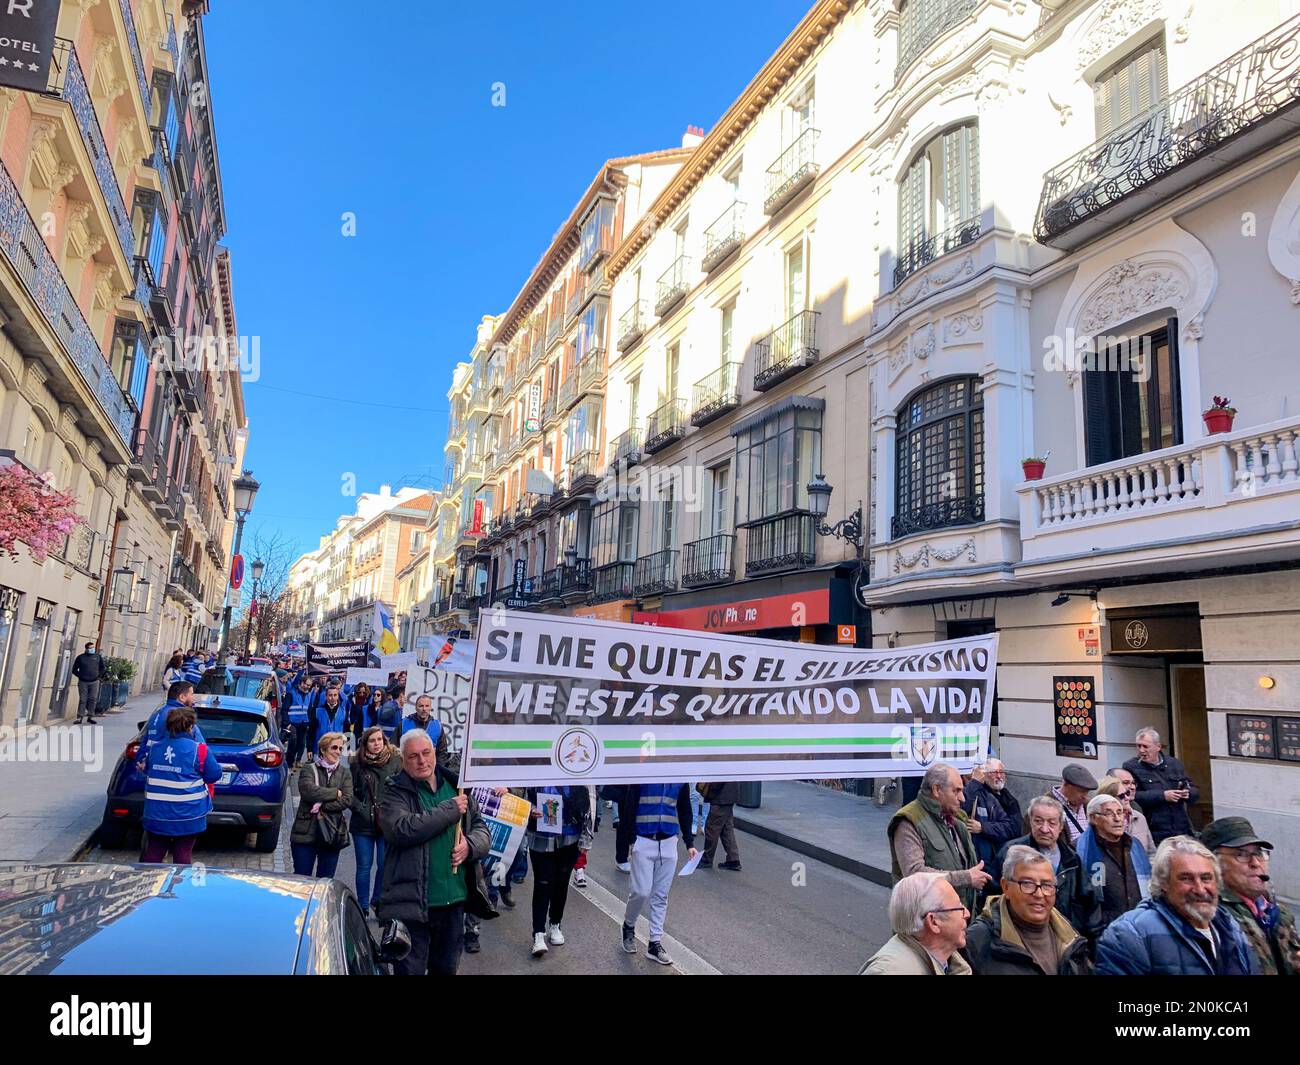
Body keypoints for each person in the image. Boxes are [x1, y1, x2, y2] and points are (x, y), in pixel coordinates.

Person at [377, 728, 495, 976]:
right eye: (413, 756)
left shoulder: (456, 786)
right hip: (411, 906)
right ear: (403, 760)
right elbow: (402, 829)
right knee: (410, 971)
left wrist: (470, 847)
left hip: (453, 903)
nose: (422, 761)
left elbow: (483, 831)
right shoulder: (393, 792)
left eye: (426, 753)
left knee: (446, 969)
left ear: (434, 753)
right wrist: (449, 810)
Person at [1095, 836, 1255, 975]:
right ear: (1164, 883)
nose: (1199, 889)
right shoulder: (1129, 934)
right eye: (1186, 878)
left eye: (1206, 878)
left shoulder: (1229, 925)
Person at [962, 845, 1092, 975]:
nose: (1039, 894)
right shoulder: (978, 940)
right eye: (1027, 884)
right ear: (1005, 887)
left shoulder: (1069, 936)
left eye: (1047, 885)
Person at [887, 763, 992, 914]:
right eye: (956, 791)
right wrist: (966, 878)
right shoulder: (909, 821)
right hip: (926, 923)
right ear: (937, 790)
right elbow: (914, 875)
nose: (962, 798)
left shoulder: (957, 820)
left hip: (959, 919)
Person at [1201, 816, 1300, 975]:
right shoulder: (1214, 917)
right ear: (1215, 864)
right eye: (1241, 854)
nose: (1255, 862)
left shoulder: (1278, 912)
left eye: (1259, 853)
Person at [993, 795, 1096, 938]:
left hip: (1065, 938)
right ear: (1030, 822)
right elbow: (993, 896)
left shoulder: (1072, 859)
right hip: (1019, 935)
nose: (1045, 829)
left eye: (1052, 823)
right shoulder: (1011, 853)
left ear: (1061, 826)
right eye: (1038, 821)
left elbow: (1089, 904)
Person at [620, 782, 696, 965]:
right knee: (641, 892)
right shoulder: (645, 773)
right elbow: (629, 807)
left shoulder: (680, 778)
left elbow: (684, 809)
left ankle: (654, 943)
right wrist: (630, 840)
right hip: (643, 840)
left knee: (661, 895)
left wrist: (689, 843)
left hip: (669, 842)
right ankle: (629, 925)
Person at [138, 705, 222, 865]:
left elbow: (149, 769)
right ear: (191, 727)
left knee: (154, 852)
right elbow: (214, 774)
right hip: (189, 814)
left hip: (156, 812)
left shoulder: (155, 748)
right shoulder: (199, 750)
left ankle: (148, 883)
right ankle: (179, 887)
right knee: (183, 854)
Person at [859, 872, 972, 975]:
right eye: (959, 907)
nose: (967, 913)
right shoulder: (890, 972)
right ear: (933, 922)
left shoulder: (947, 962)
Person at [524, 785, 590, 957]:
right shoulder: (534, 764)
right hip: (540, 835)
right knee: (542, 883)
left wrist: (586, 836)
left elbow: (589, 796)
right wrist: (530, 809)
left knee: (561, 882)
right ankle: (538, 932)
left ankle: (555, 923)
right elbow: (519, 790)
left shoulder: (576, 765)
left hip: (569, 836)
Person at [1076, 793, 1150, 936]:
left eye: (1120, 812)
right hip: (1102, 932)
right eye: (1109, 813)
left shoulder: (1135, 846)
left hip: (1139, 928)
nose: (1117, 819)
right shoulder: (1079, 850)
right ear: (1093, 818)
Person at [350, 726, 401, 915]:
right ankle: (362, 905)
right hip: (362, 823)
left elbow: (401, 789)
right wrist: (361, 808)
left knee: (384, 864)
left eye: (379, 740)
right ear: (365, 744)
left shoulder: (395, 761)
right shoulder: (356, 763)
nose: (377, 744)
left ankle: (377, 899)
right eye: (372, 741)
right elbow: (349, 792)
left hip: (386, 821)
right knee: (364, 866)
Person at [290, 732, 354, 879]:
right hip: (305, 832)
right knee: (301, 880)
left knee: (325, 881)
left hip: (332, 832)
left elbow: (347, 799)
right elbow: (308, 792)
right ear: (323, 750)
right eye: (334, 748)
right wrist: (334, 793)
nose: (338, 751)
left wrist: (323, 806)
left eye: (340, 748)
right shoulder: (309, 769)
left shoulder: (345, 773)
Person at [1123, 727, 1199, 844]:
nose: (1142, 750)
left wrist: (1187, 793)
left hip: (1180, 827)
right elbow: (1132, 796)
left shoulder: (1174, 764)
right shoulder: (1131, 766)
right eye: (1139, 746)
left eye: (1146, 746)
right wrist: (1163, 796)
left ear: (1158, 747)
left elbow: (1194, 790)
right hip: (1154, 829)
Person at [961, 757, 1021, 870]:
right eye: (994, 773)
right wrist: (974, 783)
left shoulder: (1009, 799)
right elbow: (962, 807)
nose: (999, 776)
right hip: (982, 860)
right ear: (985, 775)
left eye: (1001, 772)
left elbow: (1014, 829)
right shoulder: (977, 794)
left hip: (1002, 857)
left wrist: (983, 827)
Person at [138, 681, 205, 765]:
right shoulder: (180, 716)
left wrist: (142, 762)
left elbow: (144, 742)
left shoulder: (156, 714)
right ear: (182, 697)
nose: (193, 698)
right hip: (172, 767)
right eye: (191, 694)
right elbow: (200, 745)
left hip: (153, 766)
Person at [1098, 771, 1154, 857]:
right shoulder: (1100, 820)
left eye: (1127, 794)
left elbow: (1152, 853)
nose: (1127, 798)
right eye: (1121, 796)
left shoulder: (1140, 817)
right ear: (1108, 798)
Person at [1049, 764, 1096, 845]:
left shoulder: (1088, 805)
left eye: (1087, 792)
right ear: (1065, 784)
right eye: (1081, 791)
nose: (1085, 796)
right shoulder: (1043, 807)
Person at [698, 781, 741, 870]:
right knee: (726, 828)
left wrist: (709, 792)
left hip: (721, 796)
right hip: (729, 794)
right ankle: (733, 859)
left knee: (712, 827)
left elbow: (718, 780)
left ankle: (707, 859)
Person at [281, 675, 316, 769]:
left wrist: (309, 722)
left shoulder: (309, 695)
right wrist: (287, 723)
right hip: (292, 723)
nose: (308, 687)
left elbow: (309, 710)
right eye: (306, 684)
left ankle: (298, 760)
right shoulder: (291, 693)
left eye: (309, 685)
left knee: (301, 743)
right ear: (301, 683)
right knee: (293, 742)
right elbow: (284, 710)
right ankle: (289, 762)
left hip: (303, 723)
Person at [71, 641, 105, 724]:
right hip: (83, 682)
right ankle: (80, 717)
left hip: (94, 681)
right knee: (83, 699)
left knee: (93, 699)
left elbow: (103, 668)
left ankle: (90, 716)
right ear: (86, 649)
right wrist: (81, 676)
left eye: (93, 648)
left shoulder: (98, 657)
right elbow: (74, 670)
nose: (92, 649)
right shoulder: (80, 658)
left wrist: (98, 676)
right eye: (90, 648)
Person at [310, 686, 348, 756]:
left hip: (337, 748)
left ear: (338, 696)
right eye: (330, 695)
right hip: (320, 747)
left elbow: (346, 731)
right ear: (326, 696)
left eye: (335, 695)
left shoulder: (344, 712)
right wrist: (309, 748)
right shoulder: (317, 711)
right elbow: (311, 731)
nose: (332, 697)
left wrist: (346, 748)